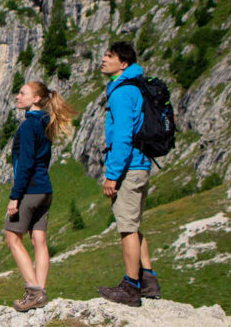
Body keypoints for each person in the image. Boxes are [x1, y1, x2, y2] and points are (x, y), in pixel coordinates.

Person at [96, 42, 162, 306]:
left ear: (123, 64)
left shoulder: (122, 93)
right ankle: (148, 281)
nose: (103, 59)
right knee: (133, 226)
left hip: (129, 168)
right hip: (140, 164)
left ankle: (131, 288)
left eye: (109, 56)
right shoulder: (135, 87)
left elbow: (122, 136)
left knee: (127, 229)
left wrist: (112, 175)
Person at [4, 80, 75, 312]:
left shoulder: (27, 126)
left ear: (36, 99)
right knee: (39, 242)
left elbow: (25, 164)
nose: (17, 96)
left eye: (22, 93)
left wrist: (15, 196)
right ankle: (40, 292)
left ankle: (33, 292)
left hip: (30, 191)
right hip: (45, 190)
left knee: (13, 238)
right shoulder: (47, 123)